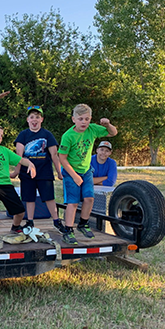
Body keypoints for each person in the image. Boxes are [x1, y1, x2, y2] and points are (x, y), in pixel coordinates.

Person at [58, 104, 118, 245]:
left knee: (89, 198)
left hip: (86, 171)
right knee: (72, 202)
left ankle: (83, 224)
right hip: (71, 171)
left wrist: (108, 124)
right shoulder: (68, 136)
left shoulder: (92, 129)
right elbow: (62, 158)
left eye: (87, 119)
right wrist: (74, 175)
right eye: (80, 119)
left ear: (90, 119)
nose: (84, 122)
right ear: (73, 119)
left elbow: (113, 133)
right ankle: (68, 230)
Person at [11, 105, 66, 233]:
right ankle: (29, 221)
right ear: (27, 120)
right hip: (27, 173)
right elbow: (18, 156)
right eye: (31, 117)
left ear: (42, 119)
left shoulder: (47, 135)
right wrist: (16, 171)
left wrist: (59, 172)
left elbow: (54, 155)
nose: (34, 120)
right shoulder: (23, 135)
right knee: (29, 198)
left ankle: (56, 221)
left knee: (49, 197)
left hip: (44, 172)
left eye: (37, 117)